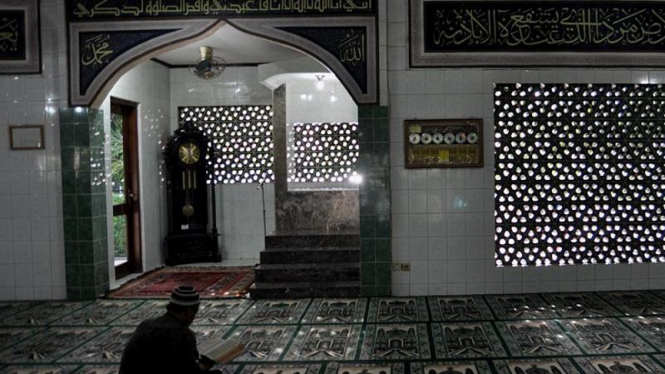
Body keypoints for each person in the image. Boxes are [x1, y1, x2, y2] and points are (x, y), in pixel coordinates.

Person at [119, 285, 223, 374]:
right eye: (194, 313)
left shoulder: (145, 325)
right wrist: (206, 365)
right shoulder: (182, 334)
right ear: (188, 312)